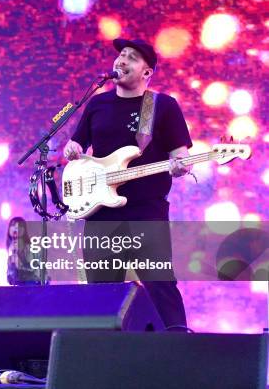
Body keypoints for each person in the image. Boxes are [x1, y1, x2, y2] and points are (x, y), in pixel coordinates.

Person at [63, 39, 192, 330]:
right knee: (100, 291)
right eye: (121, 55)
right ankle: (101, 355)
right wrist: (71, 148)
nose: (122, 60)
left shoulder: (162, 105)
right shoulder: (97, 103)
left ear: (146, 73)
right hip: (101, 213)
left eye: (132, 58)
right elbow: (76, 145)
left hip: (146, 212)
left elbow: (179, 154)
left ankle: (179, 346)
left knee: (160, 284)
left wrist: (182, 163)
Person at [6, 217, 40, 285]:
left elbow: (33, 271)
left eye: (19, 226)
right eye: (13, 226)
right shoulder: (11, 249)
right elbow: (10, 277)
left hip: (32, 287)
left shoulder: (30, 248)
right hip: (18, 287)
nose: (15, 228)